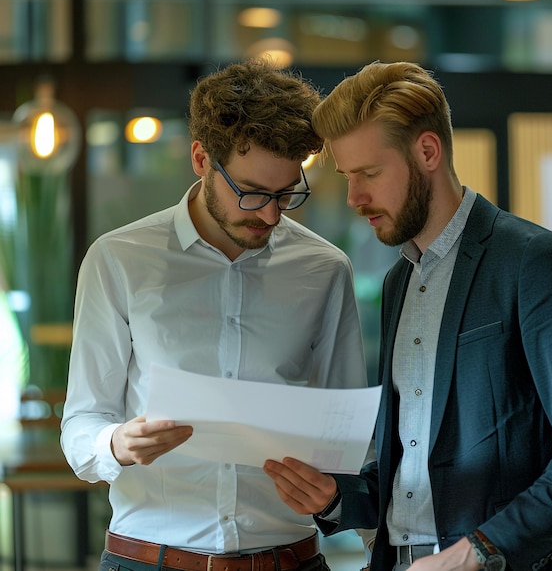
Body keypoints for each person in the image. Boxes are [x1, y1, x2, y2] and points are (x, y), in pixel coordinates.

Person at [263, 60, 552, 571]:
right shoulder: (398, 282)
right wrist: (336, 498)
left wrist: (479, 551)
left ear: (427, 151)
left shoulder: (535, 262)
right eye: (347, 177)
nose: (354, 198)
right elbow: (418, 462)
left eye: (368, 174)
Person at [60, 58, 370, 571]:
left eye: (286, 193)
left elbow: (344, 440)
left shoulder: (324, 269)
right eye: (252, 192)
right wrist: (115, 442)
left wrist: (336, 486)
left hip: (288, 561)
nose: (269, 214)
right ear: (202, 159)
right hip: (149, 558)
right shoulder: (120, 259)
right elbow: (81, 425)